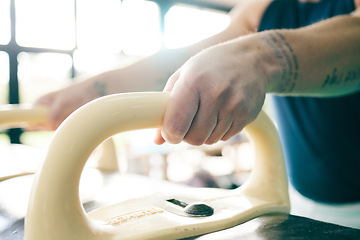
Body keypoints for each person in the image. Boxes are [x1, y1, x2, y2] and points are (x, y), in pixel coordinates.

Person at [35, 0, 360, 228]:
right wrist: (92, 90)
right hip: (299, 203)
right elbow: (183, 60)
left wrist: (260, 59)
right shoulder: (263, 8)